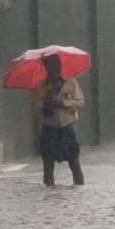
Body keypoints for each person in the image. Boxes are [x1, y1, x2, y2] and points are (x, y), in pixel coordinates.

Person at [33, 54, 85, 186]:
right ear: (46, 68)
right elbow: (36, 109)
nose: (56, 69)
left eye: (58, 65)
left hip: (67, 128)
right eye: (52, 66)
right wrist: (46, 99)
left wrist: (63, 103)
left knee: (74, 163)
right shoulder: (42, 86)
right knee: (48, 167)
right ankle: (49, 194)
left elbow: (80, 102)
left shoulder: (71, 82)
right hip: (49, 129)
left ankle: (80, 193)